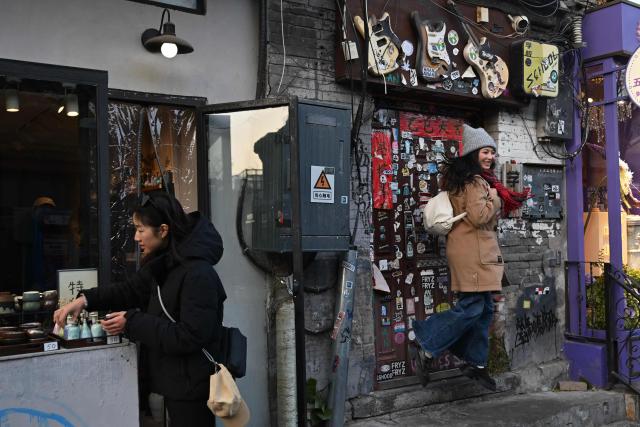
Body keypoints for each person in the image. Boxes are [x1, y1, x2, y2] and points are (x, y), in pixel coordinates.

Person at [54, 190, 226, 426]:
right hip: (169, 384)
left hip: (191, 391)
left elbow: (190, 336)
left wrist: (132, 321)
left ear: (163, 230)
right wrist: (84, 300)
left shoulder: (198, 274)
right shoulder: (164, 263)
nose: (136, 237)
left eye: (140, 229)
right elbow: (128, 290)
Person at [411, 124, 529, 391]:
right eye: (485, 152)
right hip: (473, 253)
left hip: (475, 252)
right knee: (473, 308)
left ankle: (476, 362)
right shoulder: (475, 182)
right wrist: (497, 198)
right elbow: (479, 217)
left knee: (484, 309)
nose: (490, 157)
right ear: (474, 153)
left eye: (492, 153)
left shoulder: (468, 181)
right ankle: (426, 341)